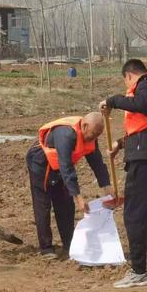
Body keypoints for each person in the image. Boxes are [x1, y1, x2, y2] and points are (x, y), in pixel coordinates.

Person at [100, 59, 147, 288]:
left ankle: (138, 270)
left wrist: (113, 101)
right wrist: (121, 144)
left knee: (134, 214)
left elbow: (143, 104)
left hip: (146, 161)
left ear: (129, 75)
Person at [26, 111, 113, 259]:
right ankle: (46, 248)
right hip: (41, 162)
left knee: (65, 204)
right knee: (43, 204)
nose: (93, 138)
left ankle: (69, 244)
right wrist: (78, 197)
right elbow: (66, 166)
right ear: (84, 126)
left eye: (97, 135)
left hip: (60, 166)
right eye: (92, 134)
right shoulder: (66, 135)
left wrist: (107, 187)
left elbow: (97, 162)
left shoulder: (91, 135)